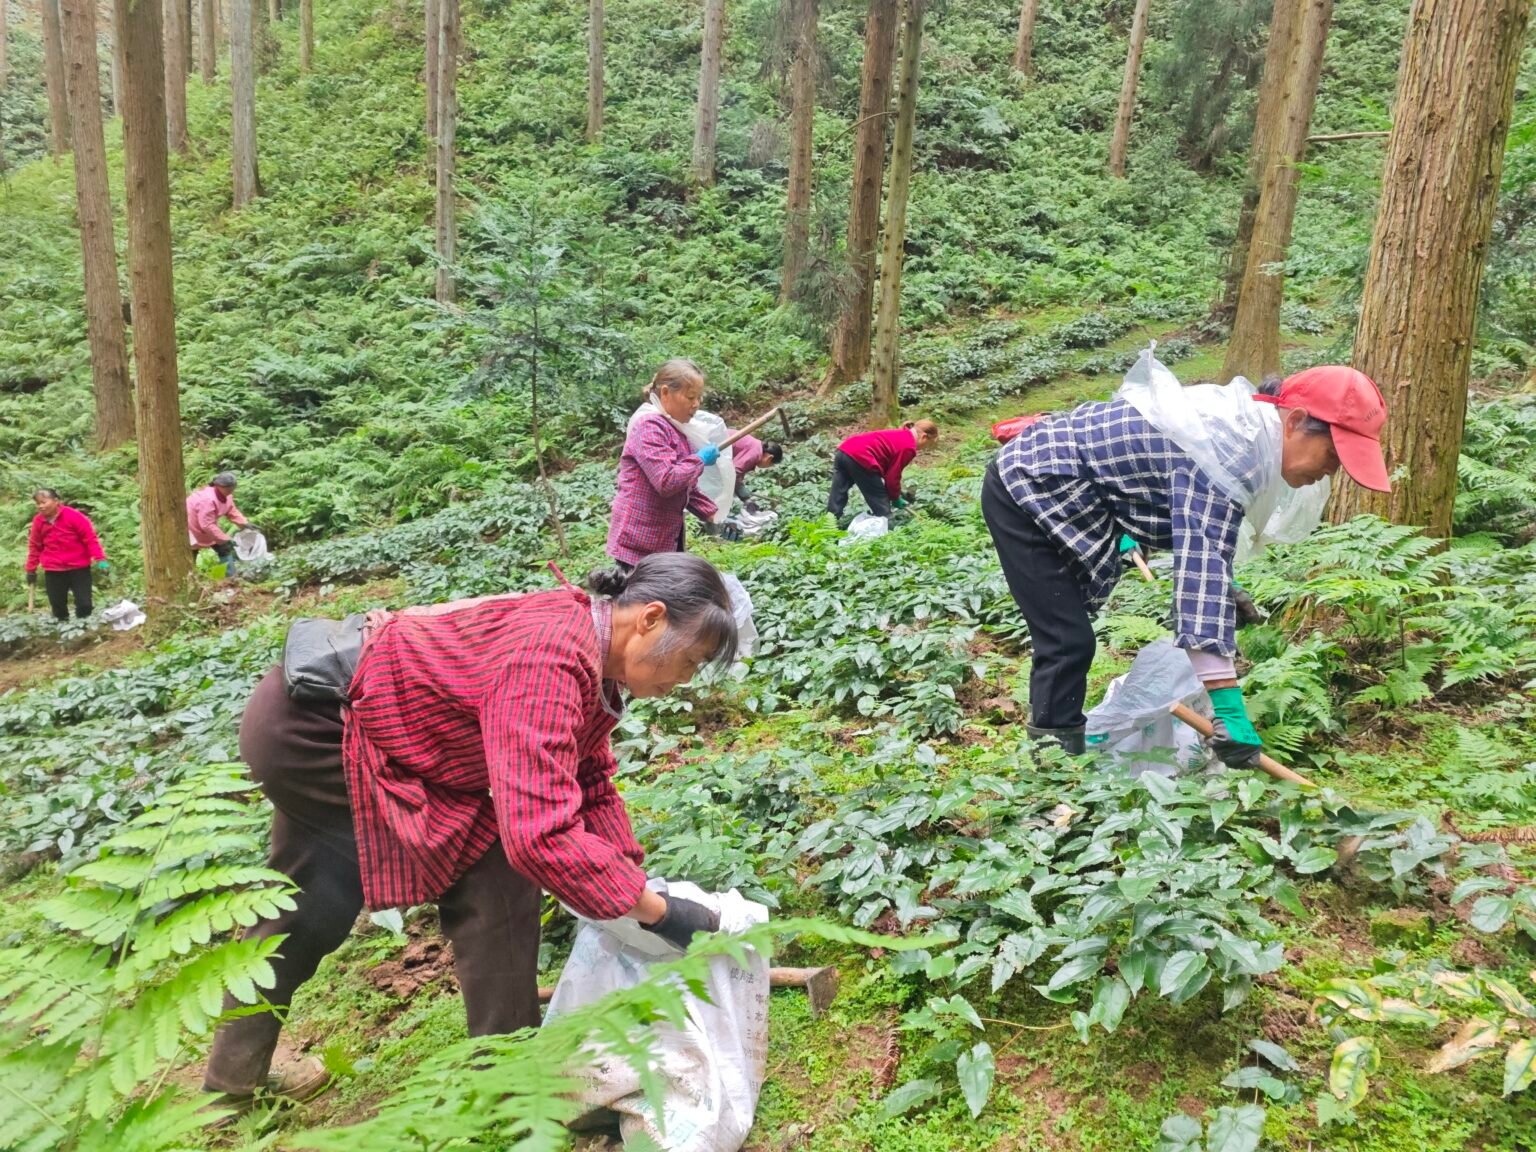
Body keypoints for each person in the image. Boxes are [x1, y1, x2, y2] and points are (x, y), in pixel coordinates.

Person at [203, 553, 739, 1111]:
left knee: (311, 897)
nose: (684, 680)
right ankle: (511, 1088)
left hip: (303, 714)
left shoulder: (587, 650)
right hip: (321, 730)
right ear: (650, 618)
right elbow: (539, 836)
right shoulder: (549, 656)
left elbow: (587, 778)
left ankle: (230, 1082)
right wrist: (659, 913)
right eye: (692, 660)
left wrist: (631, 880)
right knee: (496, 870)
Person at [982, 360, 1390, 756]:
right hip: (1028, 486)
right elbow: (1199, 581)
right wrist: (1229, 711)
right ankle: (1050, 769)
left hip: (1071, 493)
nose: (1329, 473)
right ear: (1296, 421)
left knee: (1068, 634)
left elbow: (1195, 525)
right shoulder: (1230, 454)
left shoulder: (1247, 434)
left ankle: (1057, 750)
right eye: (1332, 456)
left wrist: (1224, 585)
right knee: (1067, 641)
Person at [608, 359, 721, 569]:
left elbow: (685, 485)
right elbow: (667, 481)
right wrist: (699, 460)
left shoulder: (676, 429)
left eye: (699, 398)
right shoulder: (649, 426)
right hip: (639, 541)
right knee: (642, 599)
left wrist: (715, 517)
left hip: (665, 538)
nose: (696, 404)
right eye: (690, 397)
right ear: (666, 393)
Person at [827, 420, 939, 519]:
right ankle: (887, 529)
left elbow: (887, 470)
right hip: (861, 457)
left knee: (838, 491)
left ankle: (829, 524)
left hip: (845, 450)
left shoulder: (902, 434)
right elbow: (892, 477)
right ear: (924, 437)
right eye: (929, 444)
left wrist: (896, 493)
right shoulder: (908, 447)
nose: (925, 447)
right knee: (879, 500)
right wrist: (895, 498)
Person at [24, 489, 108, 621]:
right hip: (54, 570)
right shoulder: (38, 521)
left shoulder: (74, 516)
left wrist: (101, 560)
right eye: (38, 503)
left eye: (43, 502)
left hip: (79, 568)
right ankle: (64, 631)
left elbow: (90, 539)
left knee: (84, 604)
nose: (40, 506)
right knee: (58, 607)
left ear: (56, 501)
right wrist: (30, 570)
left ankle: (84, 627)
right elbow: (35, 546)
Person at [187, 471, 250, 571]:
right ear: (219, 486)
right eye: (229, 488)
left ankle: (231, 577)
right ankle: (190, 579)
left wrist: (245, 524)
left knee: (224, 548)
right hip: (191, 526)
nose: (231, 490)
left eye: (233, 488)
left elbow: (231, 510)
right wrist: (225, 538)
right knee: (190, 553)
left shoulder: (227, 495)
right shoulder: (207, 499)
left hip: (206, 525)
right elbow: (207, 525)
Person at [728, 434, 783, 513]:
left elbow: (735, 475)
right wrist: (745, 497)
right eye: (771, 464)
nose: (768, 467)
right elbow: (733, 473)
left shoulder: (755, 446)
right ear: (769, 458)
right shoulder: (755, 453)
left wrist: (745, 498)